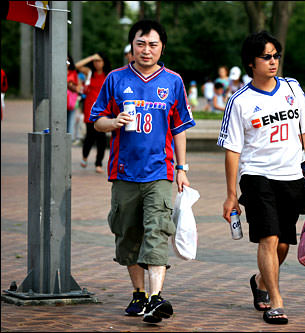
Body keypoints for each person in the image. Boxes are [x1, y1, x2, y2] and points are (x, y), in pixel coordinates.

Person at [90, 19, 196, 324]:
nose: (146, 50)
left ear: (162, 47)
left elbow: (179, 129)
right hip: (123, 172)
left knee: (157, 231)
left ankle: (154, 298)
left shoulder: (173, 81)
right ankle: (138, 293)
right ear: (131, 47)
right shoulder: (115, 79)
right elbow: (97, 120)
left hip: (160, 172)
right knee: (128, 235)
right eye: (140, 43)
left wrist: (182, 168)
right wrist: (114, 122)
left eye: (153, 44)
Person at [218, 30, 305, 325]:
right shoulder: (239, 101)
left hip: (291, 175)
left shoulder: (292, 88)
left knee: (283, 244)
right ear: (251, 62)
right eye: (266, 57)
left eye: (276, 55)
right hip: (256, 176)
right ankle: (276, 301)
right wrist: (230, 195)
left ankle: (261, 282)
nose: (273, 61)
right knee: (269, 237)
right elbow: (232, 150)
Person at [75, 52, 111, 174]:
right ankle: (85, 157)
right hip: (89, 110)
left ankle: (98, 163)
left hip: (103, 111)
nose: (97, 63)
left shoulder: (108, 75)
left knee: (101, 138)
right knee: (90, 136)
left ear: (104, 62)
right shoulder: (89, 73)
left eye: (99, 60)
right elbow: (77, 66)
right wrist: (91, 57)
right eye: (95, 61)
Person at [67, 55, 81, 141]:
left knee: (71, 120)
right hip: (60, 101)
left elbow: (77, 88)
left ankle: (70, 138)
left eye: (68, 61)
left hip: (70, 101)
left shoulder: (73, 72)